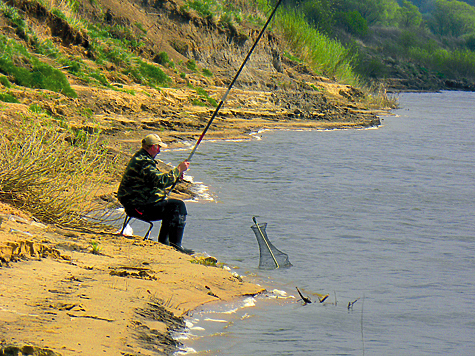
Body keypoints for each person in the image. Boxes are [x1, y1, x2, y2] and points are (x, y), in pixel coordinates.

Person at [117, 134, 193, 254]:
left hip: (136, 204)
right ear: (152, 147)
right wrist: (178, 170)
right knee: (177, 206)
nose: (159, 150)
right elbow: (160, 181)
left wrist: (176, 174)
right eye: (158, 147)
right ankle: (175, 245)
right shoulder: (143, 162)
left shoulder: (141, 158)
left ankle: (165, 243)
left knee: (171, 206)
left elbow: (154, 181)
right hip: (137, 207)